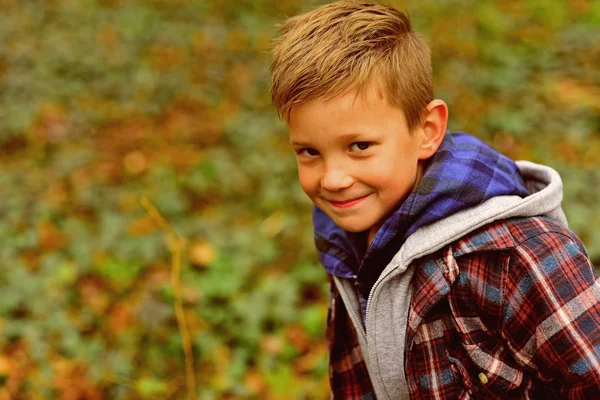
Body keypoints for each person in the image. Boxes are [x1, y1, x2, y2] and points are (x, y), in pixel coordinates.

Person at [269, 1, 600, 399]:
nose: (333, 179)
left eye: (359, 146)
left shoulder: (517, 257)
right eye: (308, 152)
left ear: (427, 130)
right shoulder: (350, 243)